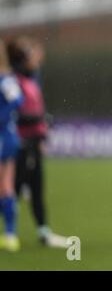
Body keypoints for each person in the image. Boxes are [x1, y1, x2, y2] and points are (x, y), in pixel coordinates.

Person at [7, 37, 67, 248]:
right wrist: (38, 120)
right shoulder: (15, 82)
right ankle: (10, 232)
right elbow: (15, 113)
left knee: (35, 187)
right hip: (21, 142)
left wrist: (42, 123)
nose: (36, 58)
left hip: (33, 141)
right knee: (13, 188)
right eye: (31, 54)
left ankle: (44, 232)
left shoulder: (30, 80)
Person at [0, 40, 23, 252]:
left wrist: (2, 118)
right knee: (5, 186)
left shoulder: (5, 79)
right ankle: (9, 233)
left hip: (4, 137)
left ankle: (10, 233)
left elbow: (17, 100)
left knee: (5, 186)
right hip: (8, 136)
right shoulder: (7, 78)